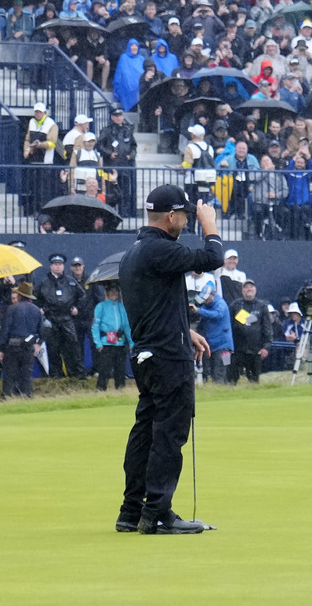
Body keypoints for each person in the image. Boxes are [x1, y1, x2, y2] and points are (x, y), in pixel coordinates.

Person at [114, 184, 222, 535]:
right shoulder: (161, 249)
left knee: (145, 432)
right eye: (186, 216)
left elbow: (155, 305)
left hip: (147, 353)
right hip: (167, 358)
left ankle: (131, 512)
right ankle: (158, 513)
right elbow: (212, 259)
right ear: (171, 216)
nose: (188, 221)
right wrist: (211, 225)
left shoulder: (136, 252)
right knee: (168, 435)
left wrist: (184, 330)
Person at [33, 252, 87, 379]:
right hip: (51, 320)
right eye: (55, 264)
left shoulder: (70, 281)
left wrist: (77, 308)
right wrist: (40, 309)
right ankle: (56, 375)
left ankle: (77, 375)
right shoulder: (44, 283)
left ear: (63, 266)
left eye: (60, 264)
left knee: (73, 347)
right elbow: (35, 299)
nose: (58, 267)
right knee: (53, 348)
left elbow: (83, 296)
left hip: (67, 318)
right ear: (51, 266)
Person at [0, 282, 44, 398]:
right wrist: (38, 344)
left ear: (19, 296)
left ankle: (8, 397)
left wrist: (2, 349)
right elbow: (42, 331)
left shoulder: (12, 308)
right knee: (26, 375)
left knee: (10, 375)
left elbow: (5, 330)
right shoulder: (36, 310)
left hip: (13, 346)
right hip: (28, 347)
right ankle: (27, 397)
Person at [226, 281, 269, 385]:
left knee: (254, 380)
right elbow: (228, 326)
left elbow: (267, 327)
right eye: (246, 287)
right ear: (242, 291)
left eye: (251, 287)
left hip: (255, 349)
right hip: (237, 349)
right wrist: (228, 346)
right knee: (231, 379)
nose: (249, 289)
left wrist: (266, 347)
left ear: (255, 290)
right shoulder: (235, 305)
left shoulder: (262, 306)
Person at [93, 285, 132, 392]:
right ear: (107, 293)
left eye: (116, 291)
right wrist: (98, 343)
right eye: (111, 291)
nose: (114, 293)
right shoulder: (101, 307)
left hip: (120, 343)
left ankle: (120, 392)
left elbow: (126, 326)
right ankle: (100, 391)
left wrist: (131, 342)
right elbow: (95, 326)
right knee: (104, 370)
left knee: (120, 371)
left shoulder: (122, 307)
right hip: (106, 344)